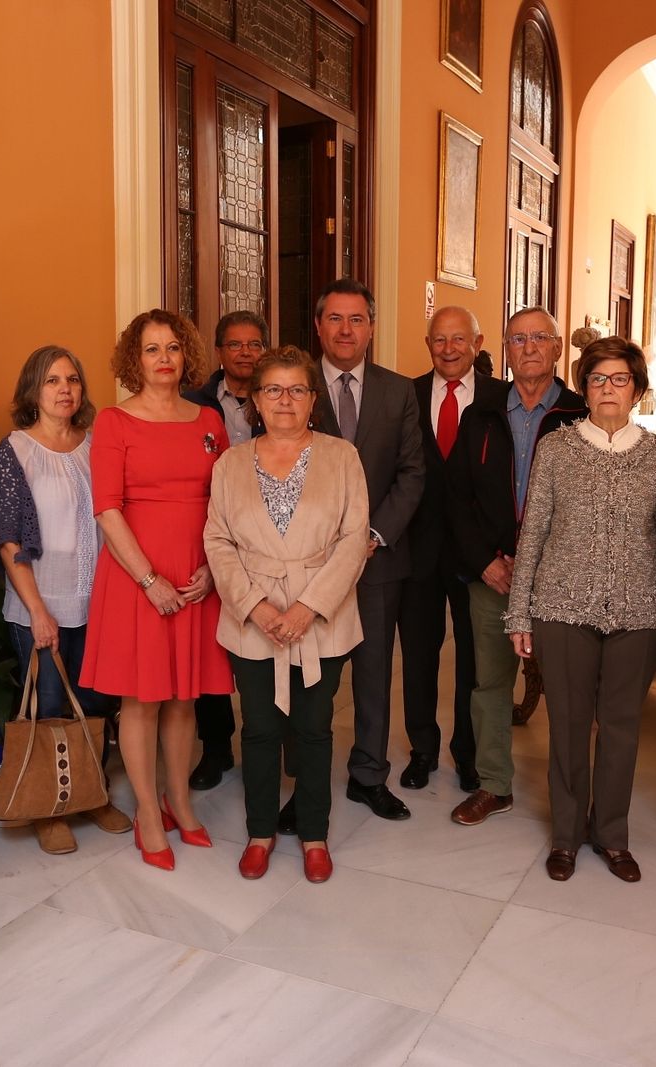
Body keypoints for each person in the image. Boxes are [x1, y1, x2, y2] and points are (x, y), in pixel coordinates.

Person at [507, 337, 656, 882]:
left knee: (623, 727)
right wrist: (519, 613)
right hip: (561, 608)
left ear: (638, 390)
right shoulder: (557, 448)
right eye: (598, 379)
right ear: (584, 389)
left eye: (620, 379)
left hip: (639, 611)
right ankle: (565, 835)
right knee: (567, 725)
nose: (608, 389)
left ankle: (611, 833)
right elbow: (532, 531)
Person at [205, 347, 369, 882]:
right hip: (253, 617)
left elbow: (353, 539)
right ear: (255, 400)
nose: (285, 400)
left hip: (321, 616)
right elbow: (218, 541)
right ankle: (259, 832)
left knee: (314, 728)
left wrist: (305, 608)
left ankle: (315, 835)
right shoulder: (230, 462)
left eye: (296, 389)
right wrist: (255, 608)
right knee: (258, 730)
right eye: (272, 389)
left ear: (312, 400)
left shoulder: (342, 456)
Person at [81, 309, 233, 870]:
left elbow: (226, 502)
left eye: (171, 347)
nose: (163, 358)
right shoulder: (115, 424)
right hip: (137, 577)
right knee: (143, 700)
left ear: (185, 355)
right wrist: (149, 579)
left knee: (184, 698)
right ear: (134, 359)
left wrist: (213, 570)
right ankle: (148, 810)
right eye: (151, 349)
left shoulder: (210, 420)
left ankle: (180, 802)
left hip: (198, 576)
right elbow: (107, 508)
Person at [0, 345, 133, 854]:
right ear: (33, 391)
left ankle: (91, 795)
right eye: (52, 380)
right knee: (49, 706)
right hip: (40, 603)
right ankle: (51, 807)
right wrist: (38, 612)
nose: (65, 389)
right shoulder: (17, 450)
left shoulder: (96, 446)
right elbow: (8, 539)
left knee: (93, 704)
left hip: (97, 600)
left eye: (72, 379)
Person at [447, 306, 586, 826]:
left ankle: (571, 801)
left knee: (571, 694)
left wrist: (546, 564)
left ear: (556, 349)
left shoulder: (579, 415)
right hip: (493, 574)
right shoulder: (480, 414)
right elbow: (457, 498)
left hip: (559, 580)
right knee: (489, 684)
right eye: (517, 338)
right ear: (504, 349)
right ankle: (493, 785)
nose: (528, 347)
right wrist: (486, 562)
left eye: (539, 338)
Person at [298, 278, 424, 825]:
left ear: (371, 327)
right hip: (306, 562)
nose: (346, 329)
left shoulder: (399, 392)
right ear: (318, 325)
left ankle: (369, 775)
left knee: (374, 672)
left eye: (357, 320)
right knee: (310, 679)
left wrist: (371, 537)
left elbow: (411, 474)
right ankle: (303, 784)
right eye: (335, 319)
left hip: (378, 561)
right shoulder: (293, 387)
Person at [397, 306, 485, 793]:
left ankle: (467, 754)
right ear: (427, 344)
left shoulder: (497, 399)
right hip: (418, 552)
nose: (448, 349)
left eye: (458, 339)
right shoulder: (404, 396)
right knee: (417, 657)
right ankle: (422, 749)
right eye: (438, 340)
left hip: (477, 558)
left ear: (477, 342)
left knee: (474, 660)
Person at [184, 309, 268, 791]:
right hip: (210, 537)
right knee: (211, 653)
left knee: (265, 648)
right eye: (235, 345)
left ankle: (271, 743)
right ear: (219, 352)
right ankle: (217, 749)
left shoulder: (279, 399)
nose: (244, 353)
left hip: (269, 543)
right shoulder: (194, 405)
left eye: (254, 344)